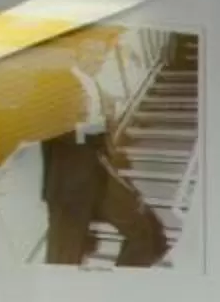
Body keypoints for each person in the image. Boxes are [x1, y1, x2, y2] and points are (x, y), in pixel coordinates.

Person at [37, 41, 171, 269]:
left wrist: (107, 119)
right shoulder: (55, 82)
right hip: (70, 184)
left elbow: (95, 133)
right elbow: (53, 128)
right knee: (62, 261)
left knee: (148, 233)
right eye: (95, 54)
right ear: (79, 53)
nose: (100, 60)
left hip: (99, 172)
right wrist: (95, 125)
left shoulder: (91, 83)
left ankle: (120, 290)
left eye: (102, 55)